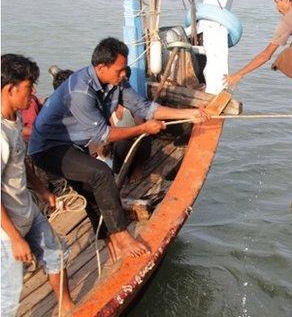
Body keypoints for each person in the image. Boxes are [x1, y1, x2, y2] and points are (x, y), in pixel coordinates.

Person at [28, 37, 208, 262]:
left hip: (74, 144)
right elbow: (103, 135)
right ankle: (122, 235)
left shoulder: (116, 83)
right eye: (120, 70)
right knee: (101, 174)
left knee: (92, 191)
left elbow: (145, 107)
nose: (124, 74)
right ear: (101, 67)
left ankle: (109, 241)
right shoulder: (80, 90)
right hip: (48, 148)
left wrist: (189, 114)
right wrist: (144, 127)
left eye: (125, 69)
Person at [1, 54, 74, 316]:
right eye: (28, 88)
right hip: (6, 230)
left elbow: (22, 162)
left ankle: (67, 308)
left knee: (55, 254)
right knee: (8, 296)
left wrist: (43, 192)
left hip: (27, 211)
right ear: (10, 89)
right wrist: (15, 238)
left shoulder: (15, 118)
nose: (32, 95)